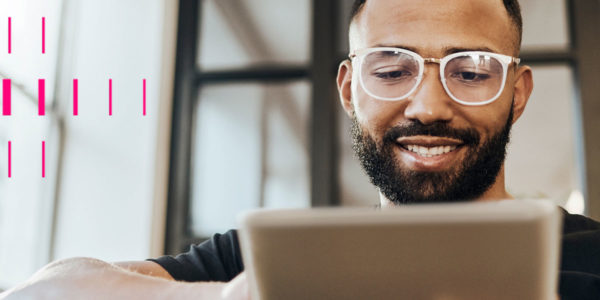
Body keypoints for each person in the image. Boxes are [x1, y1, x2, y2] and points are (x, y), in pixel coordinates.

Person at [2, 0, 599, 299]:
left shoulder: (593, 257)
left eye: (471, 72)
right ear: (348, 89)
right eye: (391, 70)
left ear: (516, 94)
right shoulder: (267, 263)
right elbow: (52, 290)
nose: (426, 106)